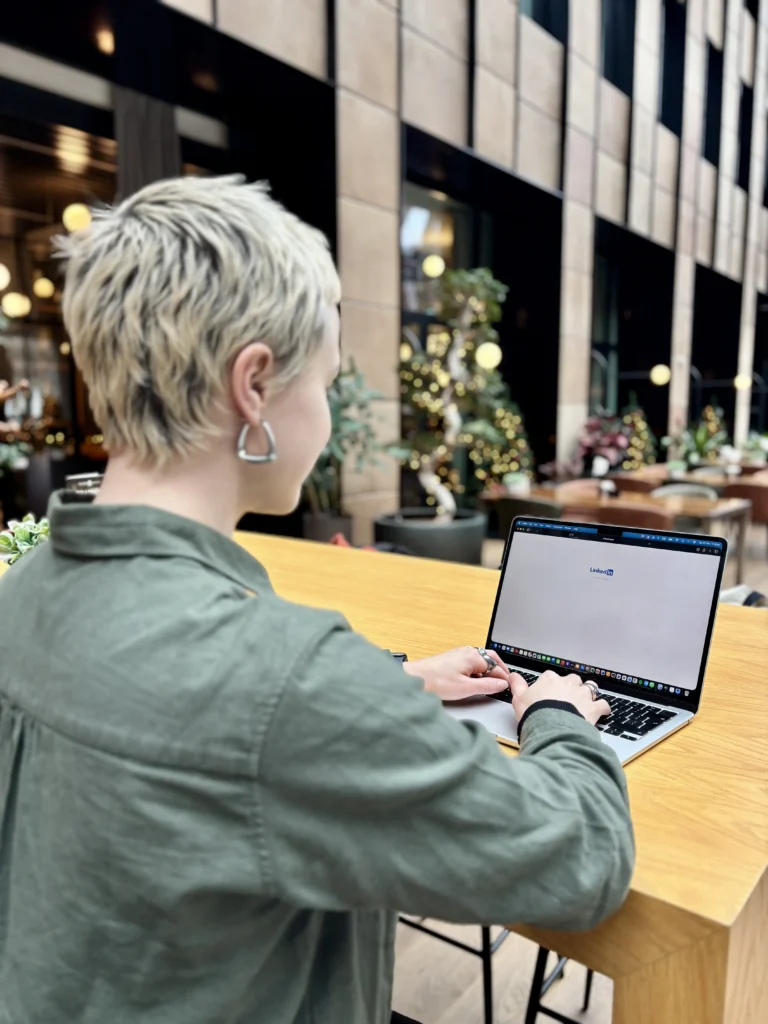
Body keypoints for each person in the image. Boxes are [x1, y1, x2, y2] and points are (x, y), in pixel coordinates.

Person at [0, 176, 633, 1024]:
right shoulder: (288, 680)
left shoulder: (23, 592)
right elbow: (583, 859)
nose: (331, 419)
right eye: (327, 383)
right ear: (254, 385)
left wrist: (391, 684)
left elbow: (191, 717)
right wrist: (557, 714)